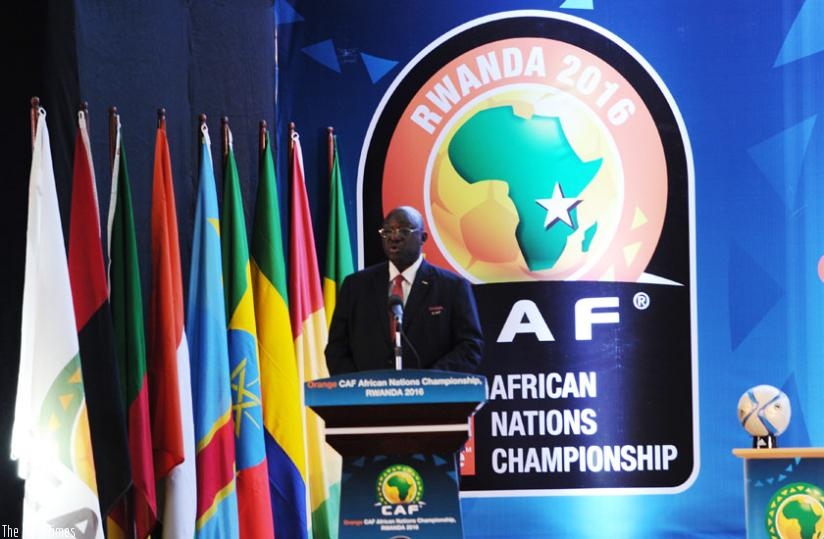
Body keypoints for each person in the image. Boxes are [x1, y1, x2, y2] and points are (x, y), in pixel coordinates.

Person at [325, 205, 484, 374]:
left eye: (404, 231)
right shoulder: (355, 286)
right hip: (367, 390)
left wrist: (432, 381)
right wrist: (359, 384)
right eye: (387, 232)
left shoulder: (452, 287)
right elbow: (336, 349)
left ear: (423, 238)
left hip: (430, 390)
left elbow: (470, 346)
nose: (394, 237)